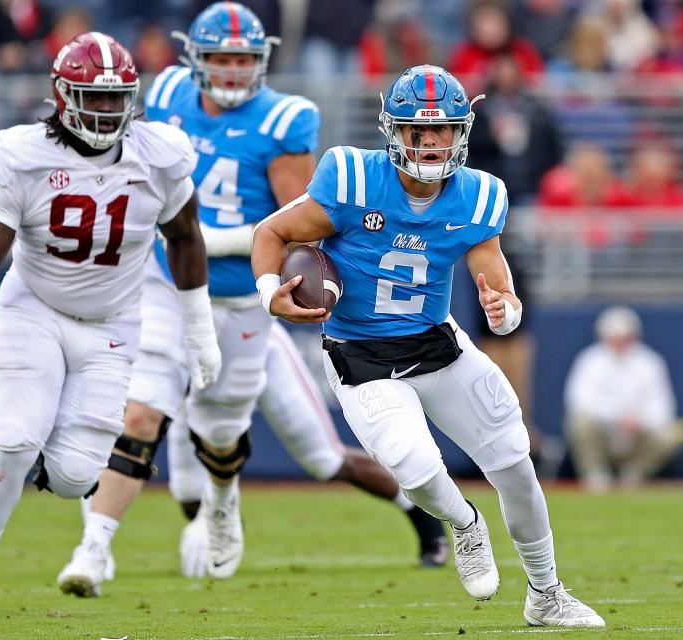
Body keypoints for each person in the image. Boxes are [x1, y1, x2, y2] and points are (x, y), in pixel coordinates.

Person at [56, 3, 445, 595]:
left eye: (244, 59)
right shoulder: (164, 95)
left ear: (262, 60)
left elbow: (301, 224)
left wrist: (209, 238)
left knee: (288, 450)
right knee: (139, 413)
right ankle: (95, 548)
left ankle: (417, 516)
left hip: (243, 304)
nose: (234, 70)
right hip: (168, 286)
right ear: (196, 60)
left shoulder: (286, 120)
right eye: (221, 58)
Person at [251, 65, 605, 628]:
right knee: (414, 467)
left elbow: (497, 281)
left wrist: (505, 312)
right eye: (420, 130)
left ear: (462, 131)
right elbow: (271, 232)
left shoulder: (479, 195)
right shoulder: (350, 178)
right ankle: (464, 524)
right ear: (395, 131)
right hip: (361, 356)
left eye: (443, 130)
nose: (433, 141)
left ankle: (547, 593)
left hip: (439, 346)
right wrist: (272, 294)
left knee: (516, 465)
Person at [0, 32, 221, 615]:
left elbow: (186, 237)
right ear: (62, 96)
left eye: (116, 98)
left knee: (74, 478)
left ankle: (12, 450)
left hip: (114, 322)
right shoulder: (26, 153)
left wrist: (198, 327)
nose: (106, 109)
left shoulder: (159, 154)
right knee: (17, 440)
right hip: (34, 308)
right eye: (93, 96)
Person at [564, 306, 683, 492]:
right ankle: (596, 478)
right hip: (604, 434)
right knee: (580, 422)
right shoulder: (589, 360)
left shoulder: (650, 362)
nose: (620, 343)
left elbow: (663, 409)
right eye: (614, 337)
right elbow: (579, 400)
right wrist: (618, 417)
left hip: (639, 438)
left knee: (674, 433)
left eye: (625, 337)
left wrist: (639, 421)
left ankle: (634, 475)